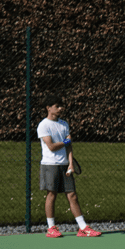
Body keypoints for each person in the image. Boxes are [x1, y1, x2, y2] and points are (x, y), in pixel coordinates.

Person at [37, 95, 101, 238]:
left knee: (72, 195)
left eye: (61, 106)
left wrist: (71, 163)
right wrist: (66, 142)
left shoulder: (64, 124)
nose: (61, 108)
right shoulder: (43, 125)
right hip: (50, 165)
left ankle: (83, 228)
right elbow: (52, 146)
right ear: (49, 108)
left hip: (65, 164)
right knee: (51, 195)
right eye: (57, 106)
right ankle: (51, 228)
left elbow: (69, 146)